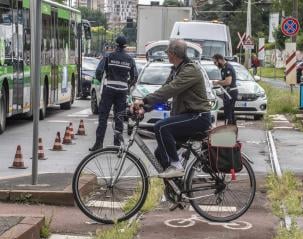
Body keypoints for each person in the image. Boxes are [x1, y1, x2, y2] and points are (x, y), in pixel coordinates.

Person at [132, 39, 212, 178]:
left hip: (198, 117)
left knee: (161, 127)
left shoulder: (190, 70)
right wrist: (145, 108)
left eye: (168, 52)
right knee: (159, 154)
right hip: (187, 117)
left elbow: (170, 90)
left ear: (173, 53)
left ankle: (176, 166)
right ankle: (174, 187)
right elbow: (163, 92)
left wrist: (143, 99)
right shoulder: (177, 70)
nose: (167, 55)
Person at [89, 35, 138, 151]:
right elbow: (135, 76)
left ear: (116, 45)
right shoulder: (130, 59)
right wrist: (127, 85)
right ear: (125, 46)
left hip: (109, 89)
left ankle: (98, 143)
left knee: (103, 117)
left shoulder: (108, 56)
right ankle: (117, 145)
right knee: (119, 118)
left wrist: (102, 81)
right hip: (122, 92)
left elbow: (99, 72)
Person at [212, 53, 238, 125]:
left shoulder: (228, 68)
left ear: (220, 60)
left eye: (215, 62)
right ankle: (232, 128)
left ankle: (228, 128)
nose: (215, 64)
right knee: (230, 111)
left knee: (228, 112)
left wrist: (218, 82)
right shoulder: (224, 68)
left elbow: (228, 82)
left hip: (230, 93)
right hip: (228, 92)